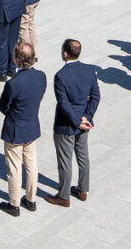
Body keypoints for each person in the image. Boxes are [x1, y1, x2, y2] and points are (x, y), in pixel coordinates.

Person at [46, 38, 100, 207]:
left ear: (65, 53)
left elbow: (63, 103)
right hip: (84, 123)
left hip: (66, 125)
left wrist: (77, 121)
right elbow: (95, 97)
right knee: (83, 157)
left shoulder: (61, 76)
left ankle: (63, 196)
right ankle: (82, 189)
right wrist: (86, 117)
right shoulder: (89, 70)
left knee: (65, 161)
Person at [0, 42, 45, 217]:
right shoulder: (41, 76)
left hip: (15, 129)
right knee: (31, 164)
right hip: (32, 126)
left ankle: (14, 203)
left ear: (17, 60)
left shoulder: (13, 83)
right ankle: (31, 199)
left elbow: (3, 107)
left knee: (14, 168)